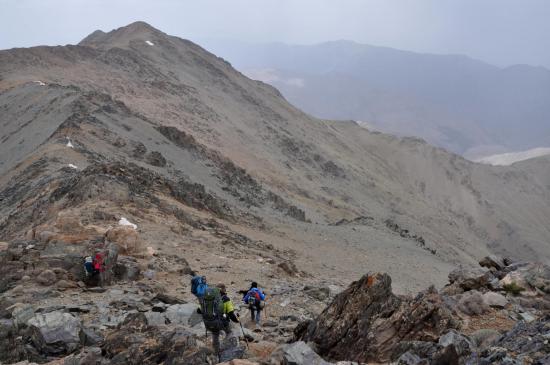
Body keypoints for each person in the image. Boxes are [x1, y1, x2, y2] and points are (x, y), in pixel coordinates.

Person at [198, 283, 239, 358]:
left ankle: (216, 353)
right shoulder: (226, 299)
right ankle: (231, 349)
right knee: (230, 332)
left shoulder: (207, 298)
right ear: (223, 289)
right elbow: (231, 313)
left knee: (215, 335)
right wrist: (236, 320)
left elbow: (199, 311)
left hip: (210, 323)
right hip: (222, 322)